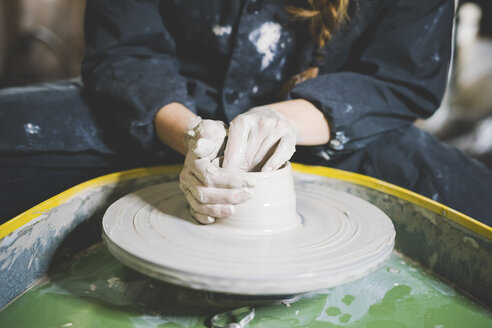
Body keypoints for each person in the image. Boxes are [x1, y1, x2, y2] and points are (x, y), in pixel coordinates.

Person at [0, 0, 491, 225]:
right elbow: (125, 53)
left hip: (323, 124)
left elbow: (398, 82)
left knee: (476, 205)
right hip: (165, 107)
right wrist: (193, 135)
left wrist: (279, 122)